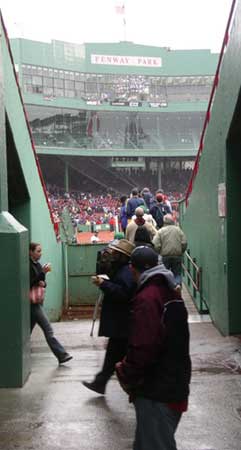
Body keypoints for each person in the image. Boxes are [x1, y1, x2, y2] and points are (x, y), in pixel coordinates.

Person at [116, 246, 191, 450]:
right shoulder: (172, 293)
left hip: (157, 391)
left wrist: (126, 371)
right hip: (174, 384)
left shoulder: (148, 298)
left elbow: (144, 346)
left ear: (133, 269)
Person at [82, 239, 136, 395]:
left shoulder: (125, 272)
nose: (111, 255)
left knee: (119, 356)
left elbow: (123, 294)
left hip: (122, 323)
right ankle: (101, 382)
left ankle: (135, 387)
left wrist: (103, 284)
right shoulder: (122, 270)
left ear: (122, 256)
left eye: (115, 253)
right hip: (121, 324)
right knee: (114, 356)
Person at [29, 242, 73, 364]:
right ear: (30, 252)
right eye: (38, 251)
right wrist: (43, 273)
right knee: (48, 329)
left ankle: (20, 352)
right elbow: (30, 282)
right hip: (33, 303)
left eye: (40, 251)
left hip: (37, 300)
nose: (40, 253)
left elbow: (41, 281)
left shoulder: (37, 265)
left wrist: (43, 279)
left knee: (27, 331)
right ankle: (61, 354)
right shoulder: (28, 265)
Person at [152, 214, 187, 287]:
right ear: (172, 221)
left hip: (165, 256)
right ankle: (177, 286)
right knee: (177, 273)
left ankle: (167, 289)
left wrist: (160, 252)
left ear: (164, 221)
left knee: (165, 274)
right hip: (177, 255)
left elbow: (155, 244)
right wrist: (181, 251)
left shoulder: (160, 231)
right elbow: (184, 242)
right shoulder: (178, 230)